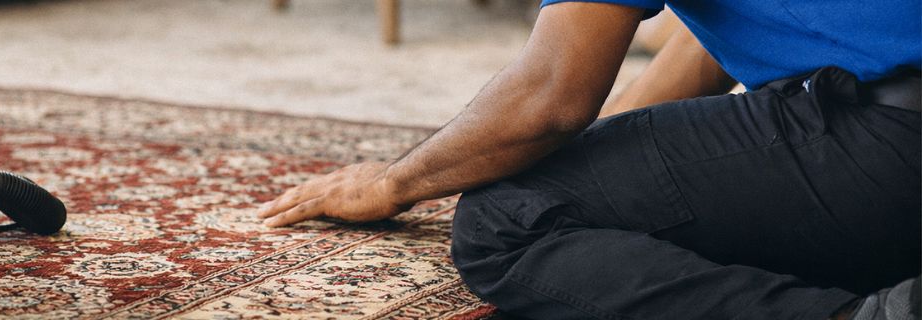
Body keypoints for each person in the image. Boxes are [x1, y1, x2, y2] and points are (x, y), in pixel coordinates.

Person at [255, 0, 921, 319]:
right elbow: (710, 35)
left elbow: (550, 97)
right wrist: (606, 173)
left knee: (505, 218)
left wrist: (396, 181)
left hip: (891, 155)